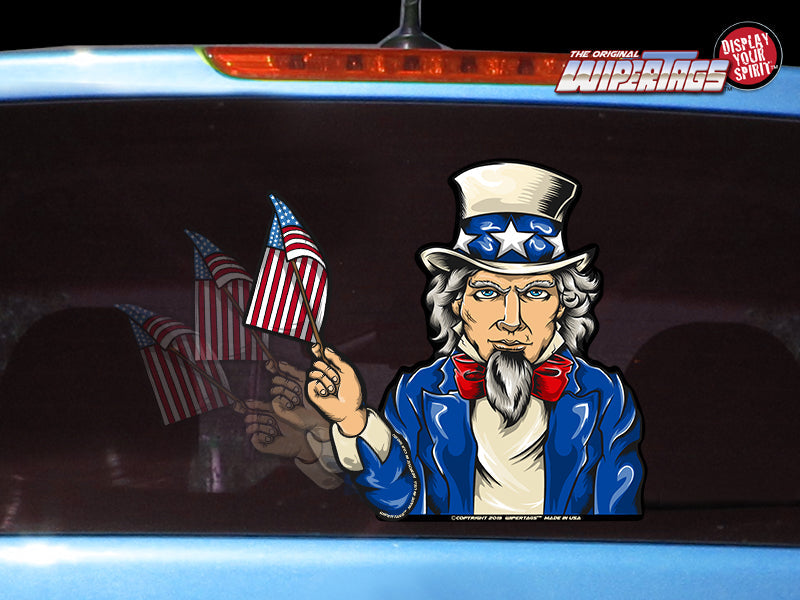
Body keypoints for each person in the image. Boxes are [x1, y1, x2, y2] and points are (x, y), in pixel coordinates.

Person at [306, 160, 644, 517]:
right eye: (487, 293)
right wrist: (353, 420)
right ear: (456, 304)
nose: (511, 321)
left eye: (535, 293)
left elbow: (619, 519)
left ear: (563, 304)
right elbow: (398, 505)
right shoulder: (417, 392)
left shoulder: (605, 396)